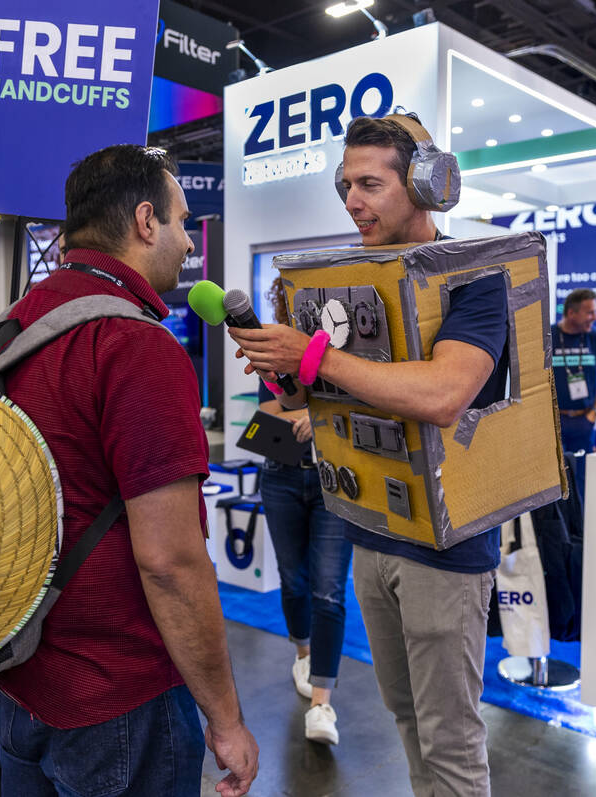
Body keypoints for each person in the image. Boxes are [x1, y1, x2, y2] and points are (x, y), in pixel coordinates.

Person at [231, 113, 506, 796]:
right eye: (345, 185)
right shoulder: (342, 282)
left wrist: (317, 355)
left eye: (370, 184)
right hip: (372, 530)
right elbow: (312, 396)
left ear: (425, 183)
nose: (353, 201)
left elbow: (445, 391)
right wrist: (288, 373)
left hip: (448, 545)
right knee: (405, 714)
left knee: (452, 739)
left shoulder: (476, 277)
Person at [0, 145, 257, 796]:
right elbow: (170, 560)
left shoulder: (12, 327)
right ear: (144, 221)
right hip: (119, 704)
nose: (188, 242)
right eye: (183, 221)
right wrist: (226, 718)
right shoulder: (136, 344)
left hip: (17, 681)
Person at [256, 276, 352, 746]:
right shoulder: (272, 347)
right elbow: (266, 411)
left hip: (335, 482)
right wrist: (301, 415)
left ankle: (322, 703)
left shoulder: (350, 346)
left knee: (329, 590)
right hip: (282, 475)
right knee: (293, 579)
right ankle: (302, 652)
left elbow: (365, 405)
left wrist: (320, 421)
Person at [551, 288, 596, 499]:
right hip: (553, 423)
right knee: (553, 482)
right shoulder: (549, 335)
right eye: (590, 313)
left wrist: (594, 413)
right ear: (571, 313)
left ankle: (579, 530)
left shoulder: (595, 337)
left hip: (582, 420)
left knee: (580, 480)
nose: (595, 318)